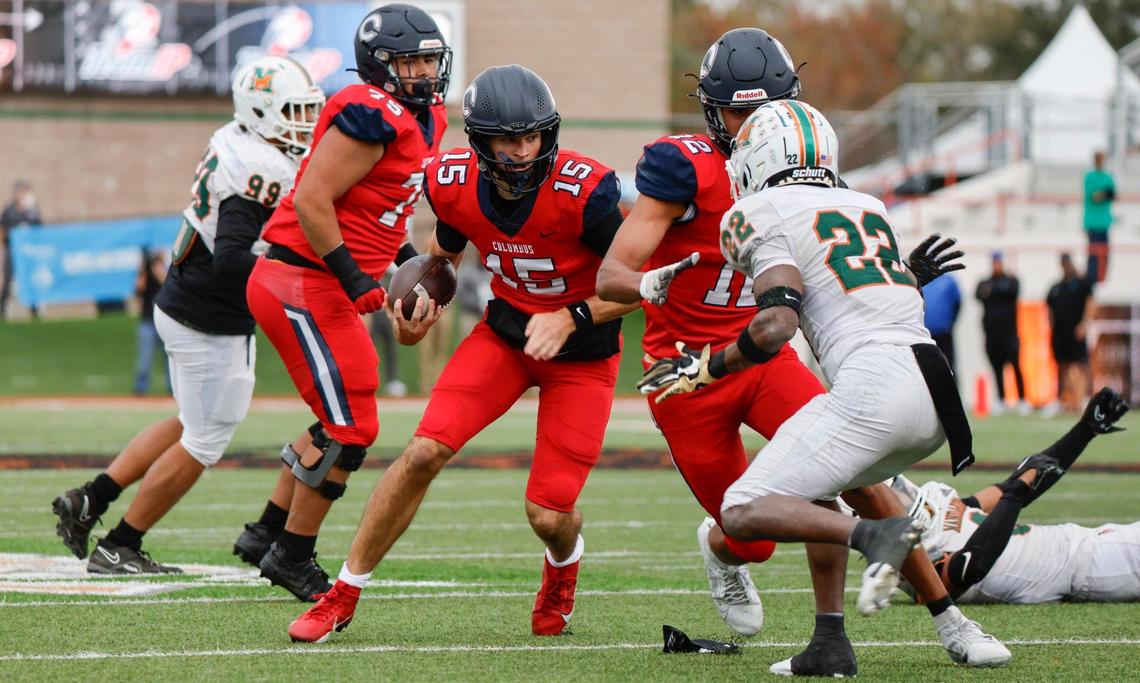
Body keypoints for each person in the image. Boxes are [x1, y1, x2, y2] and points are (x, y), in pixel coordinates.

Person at [596, 29, 980, 666]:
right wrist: (647, 283)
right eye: (739, 113)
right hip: (685, 369)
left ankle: (945, 620)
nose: (757, 125)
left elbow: (832, 273)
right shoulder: (683, 165)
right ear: (713, 115)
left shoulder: (804, 175)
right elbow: (611, 275)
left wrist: (898, 274)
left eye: (767, 109)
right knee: (750, 533)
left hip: (762, 355)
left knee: (857, 480)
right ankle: (721, 553)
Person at [286, 64, 636, 643]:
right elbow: (441, 259)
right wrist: (418, 313)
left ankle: (562, 569)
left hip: (583, 352)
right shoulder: (451, 180)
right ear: (479, 141)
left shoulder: (586, 192)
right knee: (422, 451)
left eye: (533, 137)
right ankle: (342, 595)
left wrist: (571, 315)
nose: (524, 151)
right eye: (508, 139)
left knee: (548, 514)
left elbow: (634, 283)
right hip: (504, 337)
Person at [50, 56, 325, 572]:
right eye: (293, 110)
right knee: (204, 440)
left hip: (189, 299)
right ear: (261, 112)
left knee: (188, 424)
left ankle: (91, 497)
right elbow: (232, 256)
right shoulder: (260, 166)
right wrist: (299, 273)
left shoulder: (243, 139)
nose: (304, 121)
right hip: (207, 313)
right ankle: (121, 544)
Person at [237, 4, 450, 602]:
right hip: (300, 279)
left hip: (318, 280)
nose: (426, 72)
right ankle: (292, 555)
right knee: (351, 426)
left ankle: (266, 533)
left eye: (432, 60)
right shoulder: (370, 113)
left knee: (348, 410)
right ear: (380, 67)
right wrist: (359, 279)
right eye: (413, 61)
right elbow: (311, 200)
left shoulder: (423, 115)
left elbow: (377, 208)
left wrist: (404, 257)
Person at [892, 387, 1131, 604]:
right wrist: (1016, 494)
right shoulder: (914, 562)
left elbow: (1018, 485)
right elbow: (973, 565)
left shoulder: (937, 501)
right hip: (1084, 567)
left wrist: (1085, 429)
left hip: (1083, 540)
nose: (896, 493)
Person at [976, 252, 1029, 415]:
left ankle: (1022, 399)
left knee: (1015, 366)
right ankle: (1001, 398)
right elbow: (978, 294)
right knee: (997, 367)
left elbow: (1010, 290)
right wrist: (994, 291)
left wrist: (992, 291)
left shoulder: (1011, 281)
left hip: (1010, 334)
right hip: (992, 335)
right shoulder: (985, 281)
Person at [1043, 253, 1094, 417]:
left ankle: (1080, 401)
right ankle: (1068, 401)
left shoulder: (1081, 284)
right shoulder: (1056, 287)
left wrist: (1085, 324)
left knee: (1079, 366)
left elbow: (1091, 303)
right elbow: (1049, 309)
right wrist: (1051, 328)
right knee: (1063, 367)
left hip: (1076, 332)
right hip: (1060, 334)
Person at [1, 179, 42, 320]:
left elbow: (40, 231)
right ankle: (3, 310)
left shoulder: (33, 212)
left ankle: (35, 309)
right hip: (12, 252)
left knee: (32, 279)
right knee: (8, 280)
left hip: (28, 253)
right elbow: (2, 231)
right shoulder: (9, 211)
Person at [132, 249, 170, 396]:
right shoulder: (144, 275)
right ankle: (141, 389)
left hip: (165, 322)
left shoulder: (163, 272)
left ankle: (172, 390)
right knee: (144, 359)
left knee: (170, 358)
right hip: (148, 321)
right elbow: (138, 290)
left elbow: (168, 284)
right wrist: (143, 269)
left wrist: (158, 268)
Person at [1084, 151, 1115, 283]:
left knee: (1104, 253)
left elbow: (1112, 195)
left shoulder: (1108, 177)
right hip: (1092, 223)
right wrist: (1105, 194)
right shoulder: (1089, 177)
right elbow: (1095, 197)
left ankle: (1102, 279)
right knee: (1094, 253)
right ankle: (1092, 281)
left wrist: (1102, 194)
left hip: (1104, 222)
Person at [922, 273, 961, 378]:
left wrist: (949, 324)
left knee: (948, 368)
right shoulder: (920, 279)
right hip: (925, 336)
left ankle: (952, 394)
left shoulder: (948, 280)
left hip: (944, 334)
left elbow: (957, 303)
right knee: (927, 370)